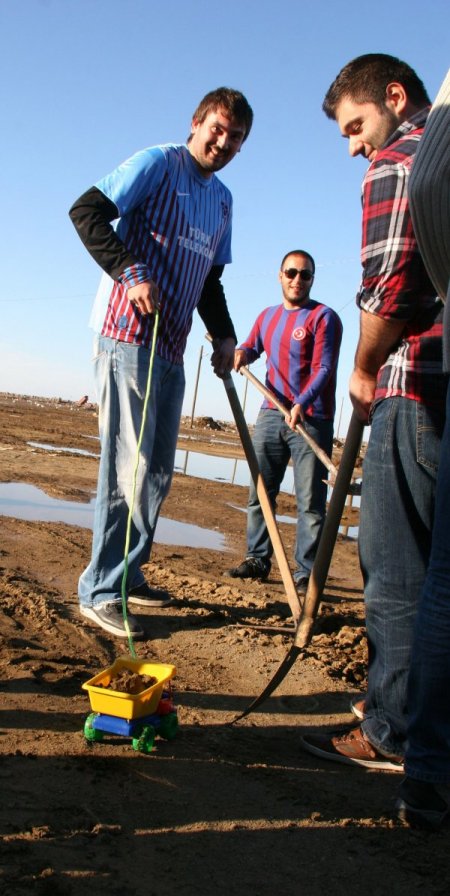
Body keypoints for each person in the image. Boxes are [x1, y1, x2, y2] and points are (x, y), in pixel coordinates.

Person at [300, 54, 446, 770]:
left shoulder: (399, 159)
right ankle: (410, 704)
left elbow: (391, 289)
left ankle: (391, 729)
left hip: (413, 383)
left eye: (356, 126)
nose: (355, 145)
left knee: (394, 567)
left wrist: (361, 367)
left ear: (395, 98)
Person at [69, 87, 253, 639]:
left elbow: (210, 282)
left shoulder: (222, 200)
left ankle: (128, 575)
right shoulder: (157, 162)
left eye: (236, 138)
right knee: (127, 469)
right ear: (197, 122)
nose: (223, 142)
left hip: (171, 347)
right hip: (126, 336)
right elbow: (87, 212)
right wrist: (131, 272)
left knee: (156, 474)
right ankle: (100, 589)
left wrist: (223, 336)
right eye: (217, 128)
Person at [395, 70, 450, 828]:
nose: (352, 148)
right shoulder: (413, 159)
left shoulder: (420, 153)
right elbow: (395, 283)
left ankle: (426, 769)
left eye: (351, 127)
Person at [226, 249, 342, 594]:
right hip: (270, 414)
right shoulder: (267, 317)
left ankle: (306, 572)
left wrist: (302, 404)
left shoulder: (325, 317)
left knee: (310, 503)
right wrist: (241, 354)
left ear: (312, 280)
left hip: (311, 419)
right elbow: (251, 346)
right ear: (280, 275)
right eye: (291, 273)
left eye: (304, 275)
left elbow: (324, 368)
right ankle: (257, 559)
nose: (297, 280)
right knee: (260, 491)